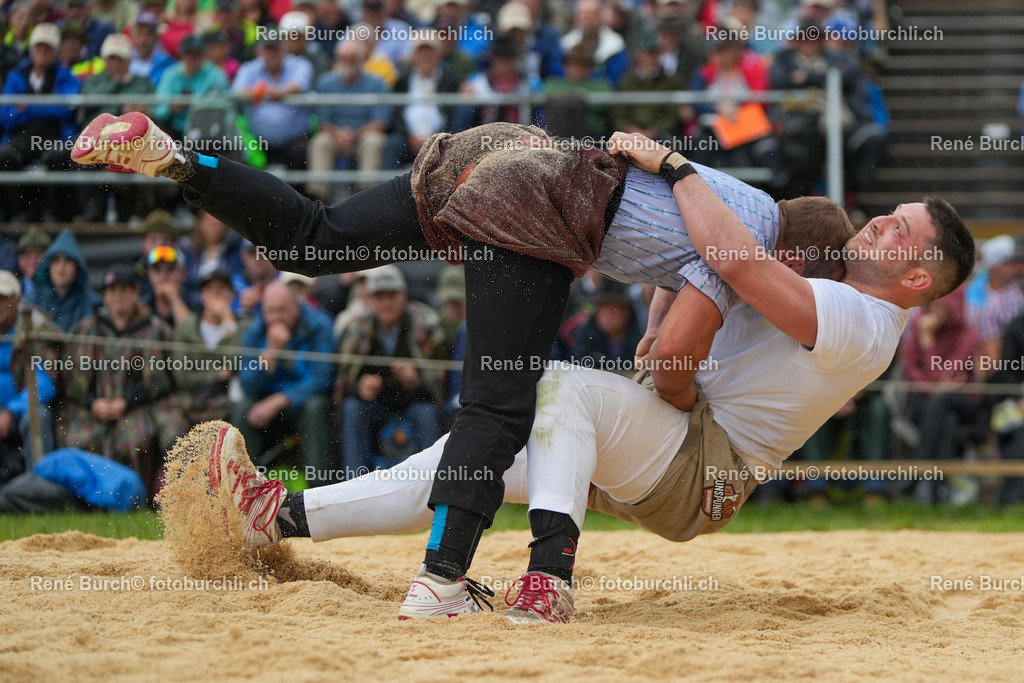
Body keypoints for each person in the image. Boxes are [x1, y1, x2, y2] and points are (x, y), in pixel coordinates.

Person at [70, 113, 933, 621]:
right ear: (797, 259)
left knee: (314, 238)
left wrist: (661, 330)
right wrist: (667, 370)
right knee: (508, 396)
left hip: (498, 149)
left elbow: (671, 308)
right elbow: (684, 341)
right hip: (538, 198)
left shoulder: (721, 200)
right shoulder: (749, 238)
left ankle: (178, 159)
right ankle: (466, 578)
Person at [59, 264, 184, 496]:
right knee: (78, 440)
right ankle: (86, 499)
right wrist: (93, 403)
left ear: (136, 293)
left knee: (135, 440)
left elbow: (159, 380)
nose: (119, 296)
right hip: (92, 407)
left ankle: (136, 499)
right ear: (105, 296)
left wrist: (126, 402)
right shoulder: (87, 329)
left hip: (138, 407)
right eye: (113, 290)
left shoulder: (154, 329)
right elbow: (73, 378)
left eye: (125, 290)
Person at [335, 265, 444, 474]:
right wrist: (360, 388)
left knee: (427, 413)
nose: (387, 303)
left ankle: (434, 480)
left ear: (404, 295)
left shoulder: (426, 325)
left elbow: (440, 390)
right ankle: (355, 480)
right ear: (370, 298)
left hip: (414, 404)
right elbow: (341, 387)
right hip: (375, 406)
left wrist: (416, 382)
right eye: (380, 296)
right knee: (352, 408)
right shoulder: (356, 329)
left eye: (392, 295)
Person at [230, 280, 334, 485]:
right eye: (270, 311)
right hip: (265, 405)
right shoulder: (255, 330)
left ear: (297, 307)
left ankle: (320, 488)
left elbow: (322, 379)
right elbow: (248, 384)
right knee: (242, 409)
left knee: (316, 408)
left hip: (302, 404)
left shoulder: (319, 325)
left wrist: (280, 400)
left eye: (282, 310)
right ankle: (243, 487)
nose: (275, 317)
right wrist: (271, 353)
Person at [0, 22, 80, 222]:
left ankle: (52, 215)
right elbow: (6, 117)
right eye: (39, 46)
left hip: (54, 136)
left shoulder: (66, 77)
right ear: (31, 49)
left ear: (56, 51)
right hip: (22, 136)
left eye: (48, 47)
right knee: (4, 157)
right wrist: (47, 105)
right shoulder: (16, 75)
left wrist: (27, 106)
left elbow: (67, 110)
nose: (42, 51)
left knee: (58, 156)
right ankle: (18, 214)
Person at [0, 271, 58, 487]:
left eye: (3, 298)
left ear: (17, 300)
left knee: (37, 416)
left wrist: (10, 411)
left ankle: (38, 490)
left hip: (20, 412)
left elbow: (45, 382)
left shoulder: (37, 328)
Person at [170, 268, 245, 429]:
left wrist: (227, 322)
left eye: (221, 288)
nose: (215, 294)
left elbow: (237, 363)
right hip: (189, 401)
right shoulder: (186, 326)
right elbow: (181, 376)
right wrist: (217, 374)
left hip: (227, 403)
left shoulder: (243, 325)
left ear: (232, 294)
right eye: (209, 288)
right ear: (202, 294)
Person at [25, 229, 101, 333]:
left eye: (68, 260)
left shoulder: (93, 304)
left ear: (78, 267)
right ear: (48, 266)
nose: (61, 266)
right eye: (56, 260)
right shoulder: (31, 302)